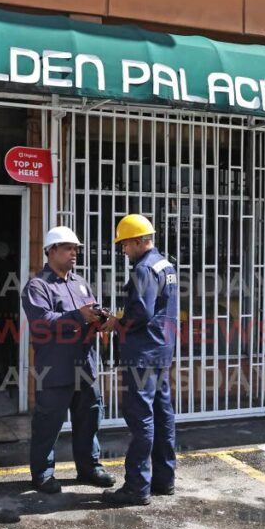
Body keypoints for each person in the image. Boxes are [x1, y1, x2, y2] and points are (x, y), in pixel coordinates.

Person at [21, 226, 115, 494]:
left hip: (85, 366)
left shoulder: (81, 282)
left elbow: (91, 311)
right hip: (56, 367)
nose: (74, 253)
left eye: (75, 249)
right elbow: (41, 321)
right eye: (67, 248)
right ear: (50, 251)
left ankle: (89, 468)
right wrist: (78, 316)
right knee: (48, 422)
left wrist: (101, 319)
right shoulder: (38, 286)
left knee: (89, 419)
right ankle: (42, 473)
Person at [101, 214, 179, 506]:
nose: (122, 250)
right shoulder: (165, 264)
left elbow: (142, 314)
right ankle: (164, 480)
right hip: (160, 351)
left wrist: (115, 324)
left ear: (137, 241)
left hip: (142, 355)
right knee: (162, 415)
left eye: (124, 244)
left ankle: (136, 487)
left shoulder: (144, 269)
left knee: (141, 418)